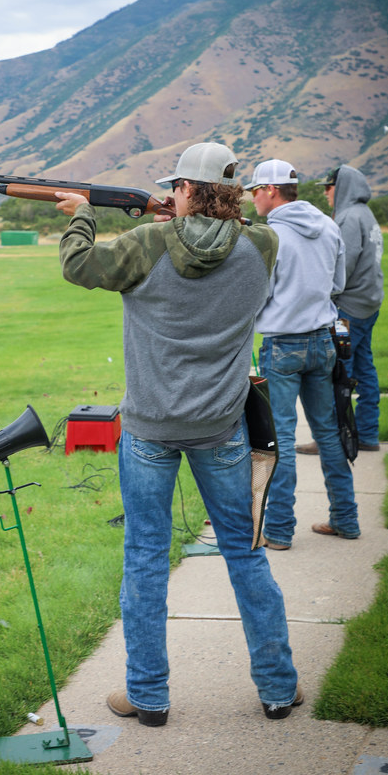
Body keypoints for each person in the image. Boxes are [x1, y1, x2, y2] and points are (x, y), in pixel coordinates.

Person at [55, 142, 301, 727]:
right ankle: (277, 689)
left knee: (144, 558)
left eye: (176, 187)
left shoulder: (146, 243)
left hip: (149, 428)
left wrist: (83, 212)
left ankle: (148, 697)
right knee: (245, 554)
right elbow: (228, 239)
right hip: (222, 426)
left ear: (185, 189)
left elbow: (78, 265)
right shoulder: (264, 244)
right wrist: (188, 216)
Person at [245, 159, 360, 550]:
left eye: (255, 190)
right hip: (323, 341)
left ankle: (279, 530)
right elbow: (338, 283)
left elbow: (259, 294)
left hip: (282, 345)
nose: (253, 198)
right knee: (329, 432)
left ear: (271, 190)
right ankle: (346, 519)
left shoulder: (270, 235)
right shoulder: (328, 225)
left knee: (280, 440)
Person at [296, 165, 384, 454]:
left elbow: (341, 267)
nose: (325, 193)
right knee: (365, 371)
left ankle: (330, 440)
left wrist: (321, 295)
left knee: (336, 374)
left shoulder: (348, 218)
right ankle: (368, 434)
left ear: (342, 187)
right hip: (369, 306)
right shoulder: (366, 214)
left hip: (347, 313)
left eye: (328, 187)